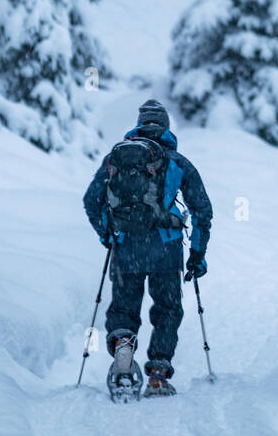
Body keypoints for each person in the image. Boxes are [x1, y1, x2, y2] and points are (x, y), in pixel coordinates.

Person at [83, 100, 212, 397]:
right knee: (167, 309)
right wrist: (197, 254)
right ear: (165, 127)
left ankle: (124, 348)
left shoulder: (115, 159)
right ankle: (157, 373)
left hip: (127, 247)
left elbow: (92, 201)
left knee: (125, 307)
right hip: (166, 250)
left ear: (140, 124)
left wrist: (108, 235)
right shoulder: (178, 162)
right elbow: (203, 211)